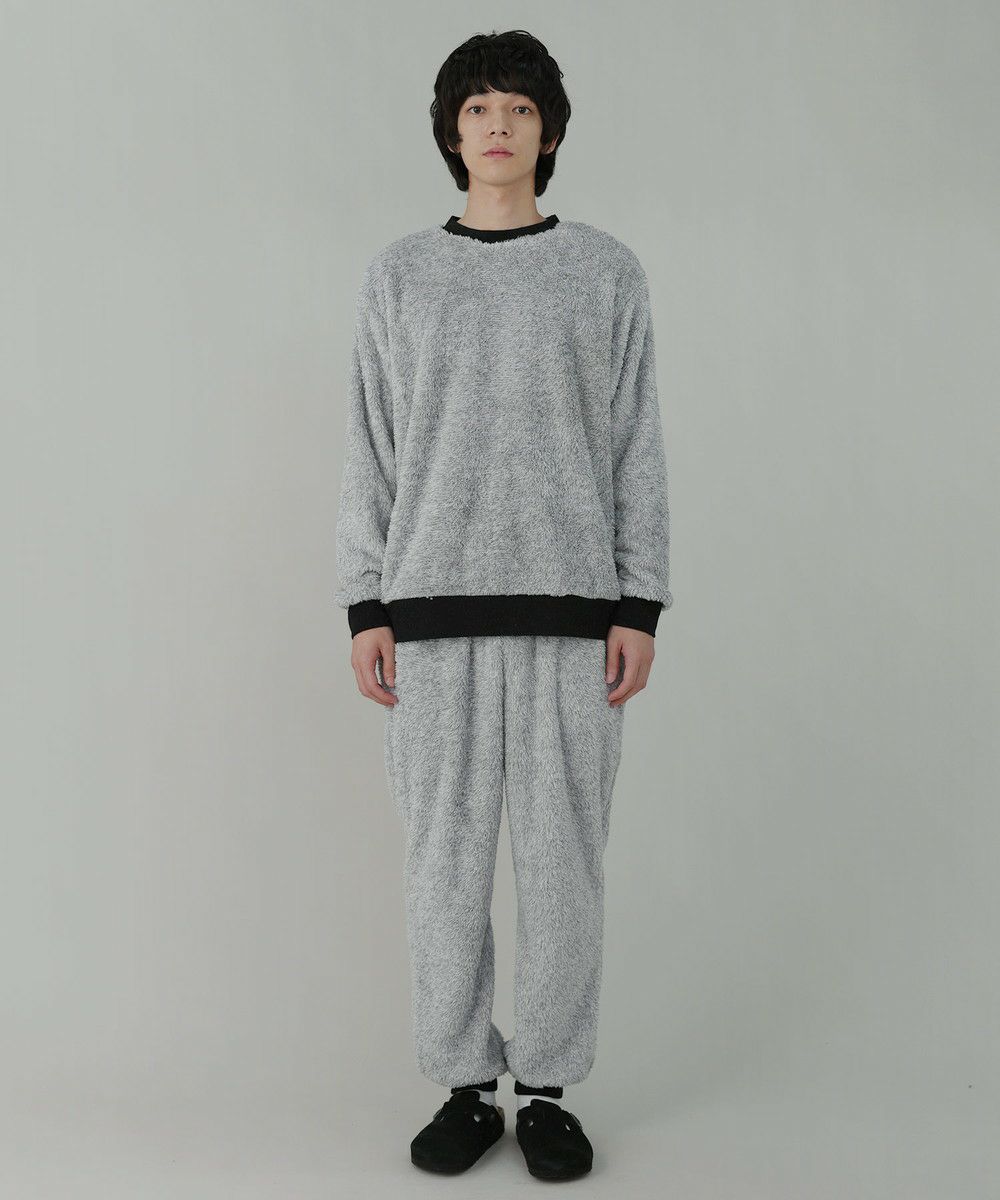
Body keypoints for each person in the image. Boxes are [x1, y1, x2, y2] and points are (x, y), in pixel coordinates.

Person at [334, 28, 672, 1181]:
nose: (497, 124)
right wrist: (364, 603)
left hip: (574, 620)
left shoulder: (606, 272)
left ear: (550, 132)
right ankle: (463, 1084)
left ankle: (551, 1090)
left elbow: (635, 445)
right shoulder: (398, 276)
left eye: (519, 108)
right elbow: (369, 446)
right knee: (443, 869)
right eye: (477, 106)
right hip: (429, 619)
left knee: (564, 866)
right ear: (450, 131)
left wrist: (639, 602)